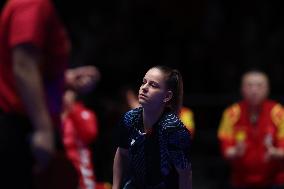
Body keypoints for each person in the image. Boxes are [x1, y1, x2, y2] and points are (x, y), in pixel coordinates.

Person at [0, 0, 70, 188]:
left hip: (22, 125)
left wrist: (66, 79)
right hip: (20, 129)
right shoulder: (33, 3)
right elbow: (23, 65)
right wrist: (43, 130)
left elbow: (33, 67)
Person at [112, 65, 192, 189]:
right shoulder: (129, 118)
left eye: (153, 85)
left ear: (167, 96)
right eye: (144, 82)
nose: (144, 88)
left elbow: (185, 173)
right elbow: (122, 153)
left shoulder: (174, 130)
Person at [217, 69, 284, 189]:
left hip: (274, 181)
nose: (254, 90)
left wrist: (275, 152)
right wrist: (236, 152)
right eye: (249, 85)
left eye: (259, 85)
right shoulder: (231, 113)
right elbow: (226, 151)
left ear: (268, 89)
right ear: (241, 89)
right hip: (240, 180)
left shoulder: (279, 112)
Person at [62, 65, 111, 189]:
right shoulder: (49, 108)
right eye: (86, 75)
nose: (87, 79)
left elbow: (90, 134)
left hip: (79, 172)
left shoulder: (85, 113)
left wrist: (71, 109)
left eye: (92, 79)